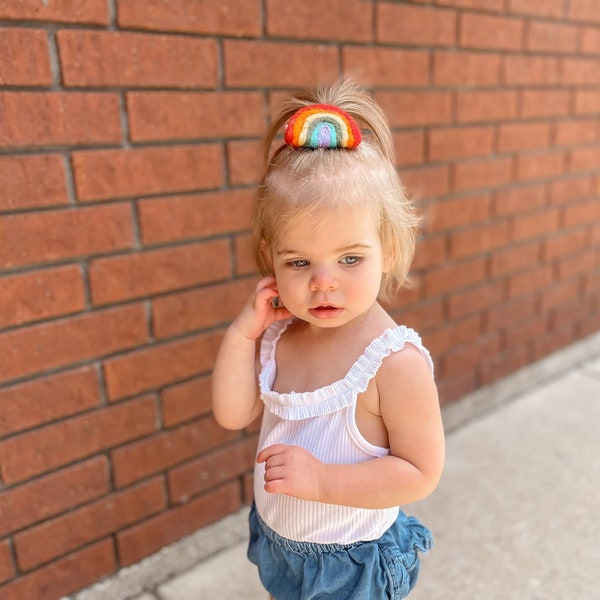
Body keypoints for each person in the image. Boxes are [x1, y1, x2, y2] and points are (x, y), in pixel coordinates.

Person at [212, 79, 445, 600]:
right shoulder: (280, 338)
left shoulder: (392, 362)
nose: (323, 282)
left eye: (350, 258)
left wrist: (323, 483)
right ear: (271, 257)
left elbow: (420, 472)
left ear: (388, 247)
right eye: (299, 262)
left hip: (351, 562)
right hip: (280, 544)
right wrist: (240, 335)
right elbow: (232, 413)